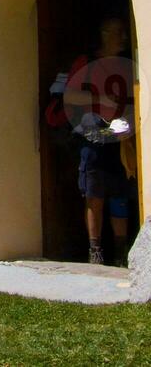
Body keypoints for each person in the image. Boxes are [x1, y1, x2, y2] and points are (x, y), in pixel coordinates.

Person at [63, 17, 136, 266]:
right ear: (104, 33)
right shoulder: (88, 63)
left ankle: (120, 251)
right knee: (94, 193)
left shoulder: (127, 65)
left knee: (121, 192)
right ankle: (95, 250)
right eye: (118, 32)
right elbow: (70, 94)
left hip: (121, 136)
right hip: (93, 137)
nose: (124, 38)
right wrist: (100, 99)